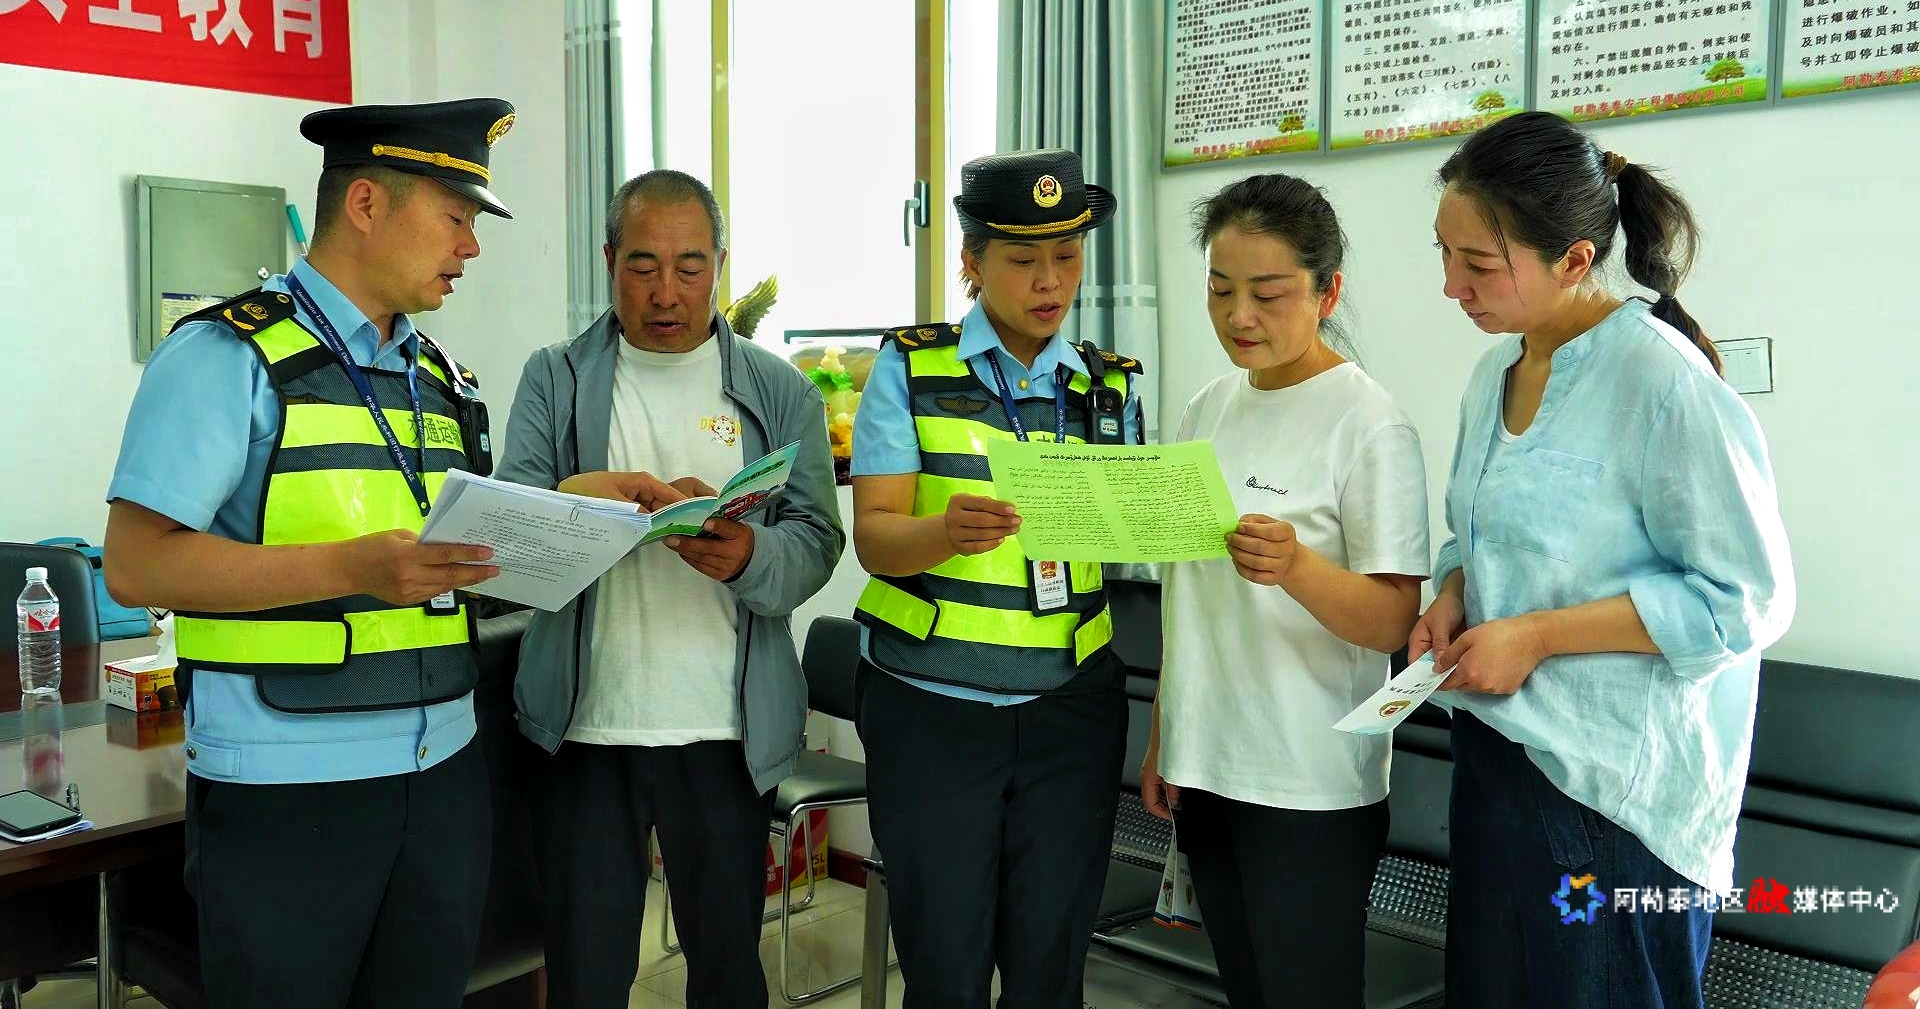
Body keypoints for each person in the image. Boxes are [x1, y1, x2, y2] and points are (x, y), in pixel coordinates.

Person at [102, 98, 516, 1007]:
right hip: (288, 785)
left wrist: (572, 508)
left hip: (444, 773)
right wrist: (350, 570)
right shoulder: (227, 355)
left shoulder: (438, 376)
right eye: (455, 218)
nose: (470, 247)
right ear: (365, 204)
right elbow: (135, 566)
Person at [1415, 111, 1795, 1007]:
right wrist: (1454, 590)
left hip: (1616, 798)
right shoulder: (1494, 375)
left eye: (1479, 264)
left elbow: (1746, 599)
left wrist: (1538, 635)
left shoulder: (1660, 380)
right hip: (1501, 760)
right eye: (1444, 254)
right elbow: (1482, 532)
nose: (1451, 286)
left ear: (1575, 259)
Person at [496, 169, 844, 1008]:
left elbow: (817, 540)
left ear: (719, 265)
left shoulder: (779, 390)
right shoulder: (555, 377)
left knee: (725, 972)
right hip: (587, 729)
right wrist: (588, 498)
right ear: (609, 260)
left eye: (690, 268)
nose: (666, 293)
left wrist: (748, 553)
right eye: (642, 266)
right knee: (586, 976)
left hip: (725, 735)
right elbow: (508, 533)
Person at [850, 148, 1146, 1008]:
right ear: (972, 262)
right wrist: (941, 533)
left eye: (1068, 255)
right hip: (932, 709)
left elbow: (1124, 537)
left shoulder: (1110, 387)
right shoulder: (912, 369)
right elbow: (874, 538)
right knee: (945, 965)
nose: (1050, 281)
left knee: (1050, 966)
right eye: (1022, 259)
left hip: (1071, 711)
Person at [1141, 174, 1431, 1008]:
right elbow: (1190, 600)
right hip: (1209, 763)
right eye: (1220, 289)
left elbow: (1392, 621)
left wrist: (1297, 567)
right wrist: (1166, 734)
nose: (1239, 316)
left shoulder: (1367, 422)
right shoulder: (1206, 408)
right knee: (1247, 991)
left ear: (1326, 291)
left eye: (1267, 294)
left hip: (1307, 778)